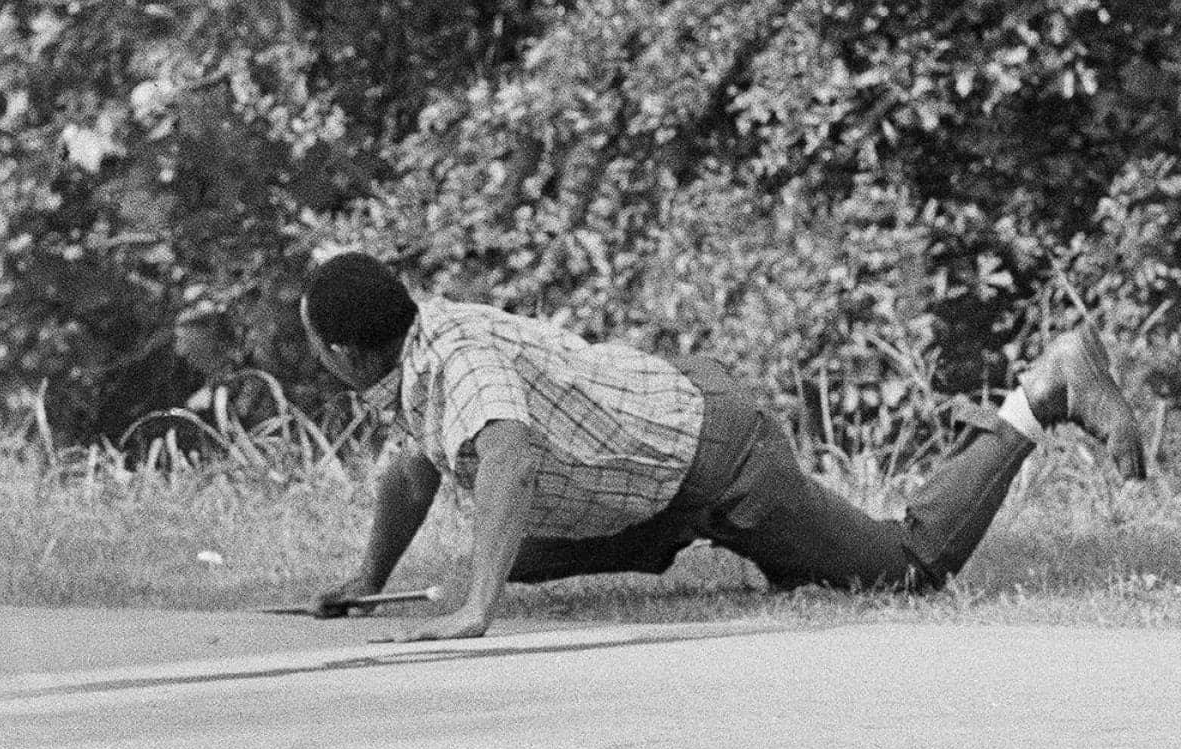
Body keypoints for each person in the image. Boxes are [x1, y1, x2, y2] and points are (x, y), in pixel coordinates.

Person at [299, 252, 1147, 642]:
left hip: (717, 459)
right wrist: (369, 580)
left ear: (342, 352)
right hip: (665, 444)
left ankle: (1044, 392)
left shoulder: (455, 356)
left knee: (907, 564)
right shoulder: (416, 351)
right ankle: (692, 537)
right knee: (506, 552)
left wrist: (473, 615)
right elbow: (413, 466)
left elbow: (510, 454)